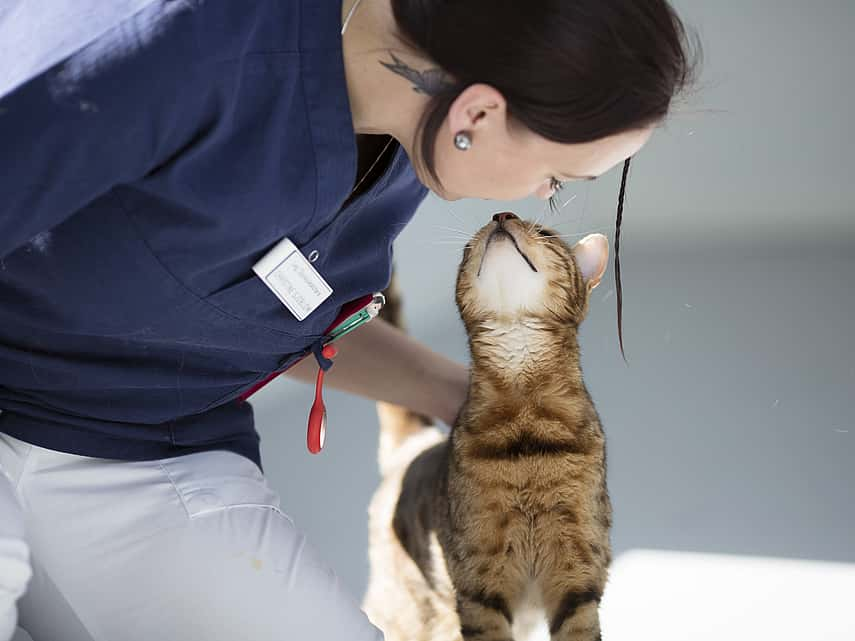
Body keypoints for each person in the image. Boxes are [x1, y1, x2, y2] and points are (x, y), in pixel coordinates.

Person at [0, 1, 697, 639]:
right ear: (478, 115)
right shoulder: (176, 39)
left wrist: (467, 400)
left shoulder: (405, 144)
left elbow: (255, 308)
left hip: (147, 451)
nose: (541, 195)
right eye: (557, 177)